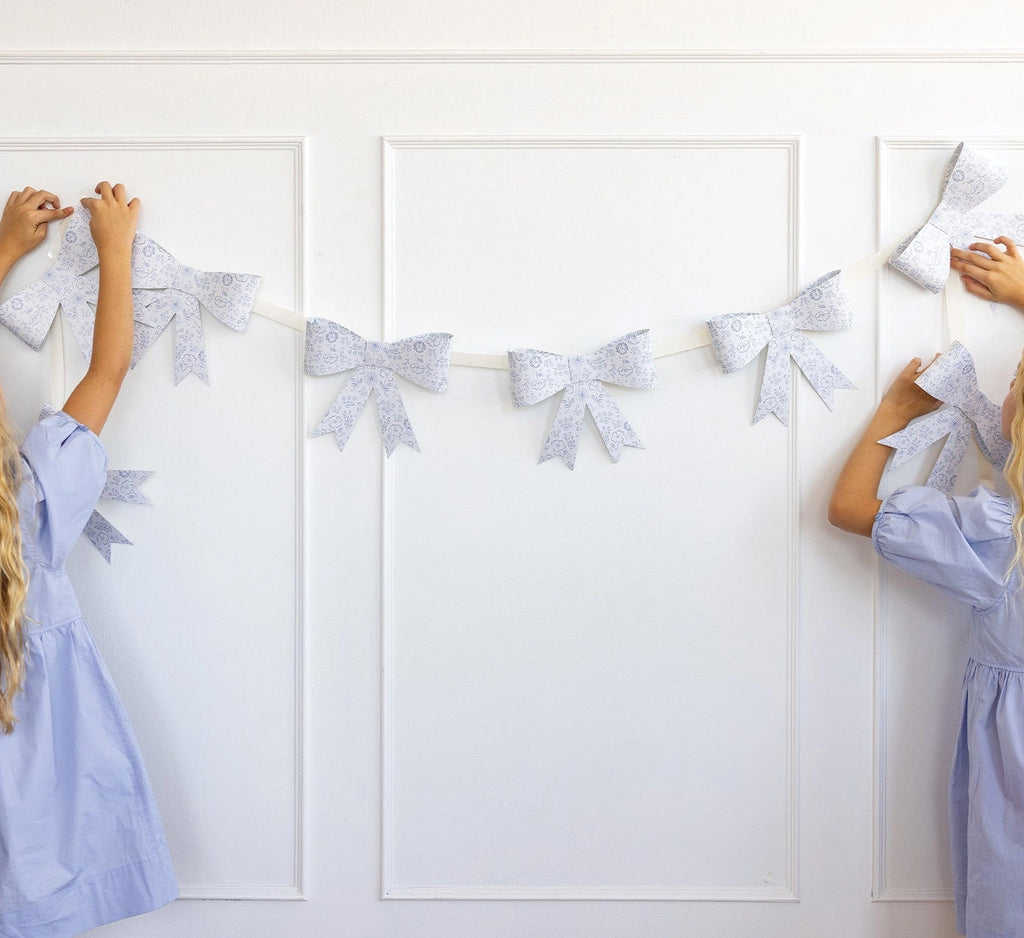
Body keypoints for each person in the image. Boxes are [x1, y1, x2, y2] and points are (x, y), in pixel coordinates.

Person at [830, 237, 1024, 938]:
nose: (1001, 391)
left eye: (1013, 387)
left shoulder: (998, 537)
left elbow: (849, 508)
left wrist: (894, 412)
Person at [0, 184, 177, 936]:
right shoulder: (32, 501)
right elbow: (108, 370)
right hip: (48, 778)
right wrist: (114, 250)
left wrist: (7, 249)